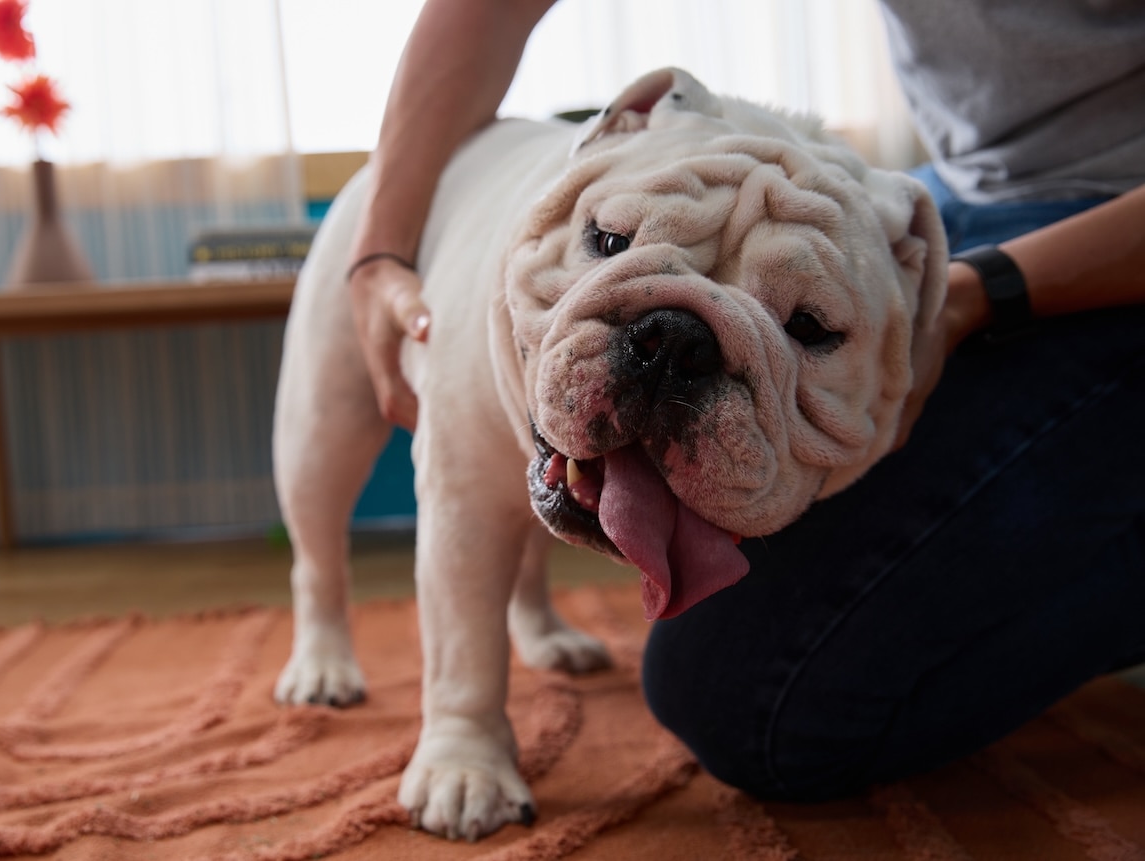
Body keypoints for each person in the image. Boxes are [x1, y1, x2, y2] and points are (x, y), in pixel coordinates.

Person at [346, 0, 1145, 801]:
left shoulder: (893, 248)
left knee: (757, 702)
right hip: (974, 192)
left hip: (1110, 240)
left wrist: (980, 290)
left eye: (804, 322)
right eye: (616, 241)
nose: (667, 353)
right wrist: (379, 248)